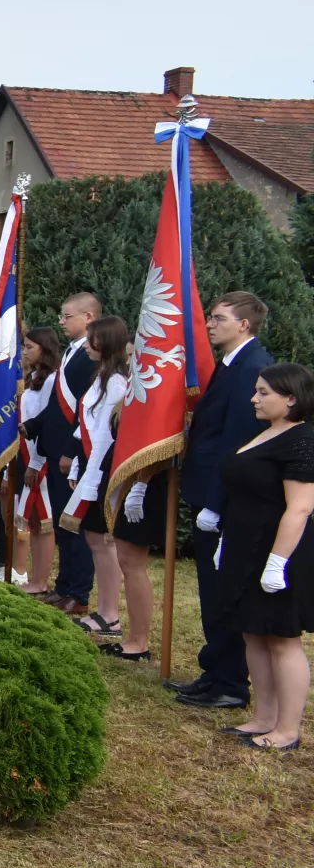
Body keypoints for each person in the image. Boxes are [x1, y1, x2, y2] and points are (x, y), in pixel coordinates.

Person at [166, 292, 276, 708]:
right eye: (210, 317)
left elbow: (236, 443)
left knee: (224, 592)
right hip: (211, 491)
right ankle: (215, 672)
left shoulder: (253, 367)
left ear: (244, 325)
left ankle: (230, 682)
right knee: (212, 591)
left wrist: (216, 502)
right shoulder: (233, 364)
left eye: (219, 318)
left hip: (225, 498)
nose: (210, 324)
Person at [215, 362, 314, 750]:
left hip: (281, 549)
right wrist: (227, 538)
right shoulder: (264, 434)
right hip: (245, 546)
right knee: (252, 630)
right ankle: (263, 716)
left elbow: (301, 507)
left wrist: (279, 562)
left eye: (264, 393)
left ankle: (287, 730)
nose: (254, 398)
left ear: (291, 398)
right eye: (256, 391)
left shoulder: (302, 439)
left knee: (282, 637)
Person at [61, 316, 141, 654]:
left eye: (93, 339)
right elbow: (87, 424)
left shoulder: (119, 382)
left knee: (103, 540)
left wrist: (94, 473)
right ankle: (104, 609)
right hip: (90, 464)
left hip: (105, 468)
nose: (88, 344)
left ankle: (110, 614)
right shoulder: (102, 377)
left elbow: (109, 434)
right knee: (94, 538)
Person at [23, 293, 101, 618]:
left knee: (74, 526)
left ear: (89, 318)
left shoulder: (92, 356)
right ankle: (65, 586)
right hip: (54, 450)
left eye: (68, 316)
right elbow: (57, 406)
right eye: (62, 315)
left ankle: (79, 593)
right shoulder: (72, 352)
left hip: (73, 455)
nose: (62, 321)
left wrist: (71, 451)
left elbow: (84, 412)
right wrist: (35, 424)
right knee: (61, 525)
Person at [14, 326, 63, 596]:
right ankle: (36, 578)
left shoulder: (53, 380)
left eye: (29, 347)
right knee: (32, 519)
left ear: (43, 350)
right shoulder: (32, 378)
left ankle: (41, 580)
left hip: (39, 457)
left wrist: (36, 461)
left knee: (44, 520)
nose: (24, 351)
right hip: (27, 454)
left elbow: (46, 422)